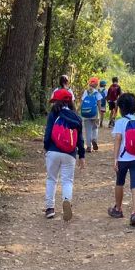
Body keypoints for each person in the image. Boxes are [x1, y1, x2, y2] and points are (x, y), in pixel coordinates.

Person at [43, 88, 85, 221]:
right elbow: (80, 139)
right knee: (67, 181)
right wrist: (82, 156)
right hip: (70, 153)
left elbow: (48, 133)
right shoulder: (76, 117)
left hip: (53, 151)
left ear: (57, 102)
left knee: (51, 179)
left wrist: (46, 147)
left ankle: (50, 208)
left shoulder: (54, 114)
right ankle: (67, 201)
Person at [109, 92, 135, 227]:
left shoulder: (121, 122)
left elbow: (118, 140)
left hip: (123, 158)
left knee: (120, 182)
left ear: (122, 107)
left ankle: (118, 209)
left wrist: (115, 159)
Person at [79, 78, 104, 151]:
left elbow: (82, 102)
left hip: (86, 113)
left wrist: (77, 110)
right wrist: (100, 114)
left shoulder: (85, 92)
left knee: (87, 130)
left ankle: (89, 147)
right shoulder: (97, 93)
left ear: (90, 83)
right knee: (95, 128)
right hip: (94, 113)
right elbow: (99, 104)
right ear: (96, 84)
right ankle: (94, 139)